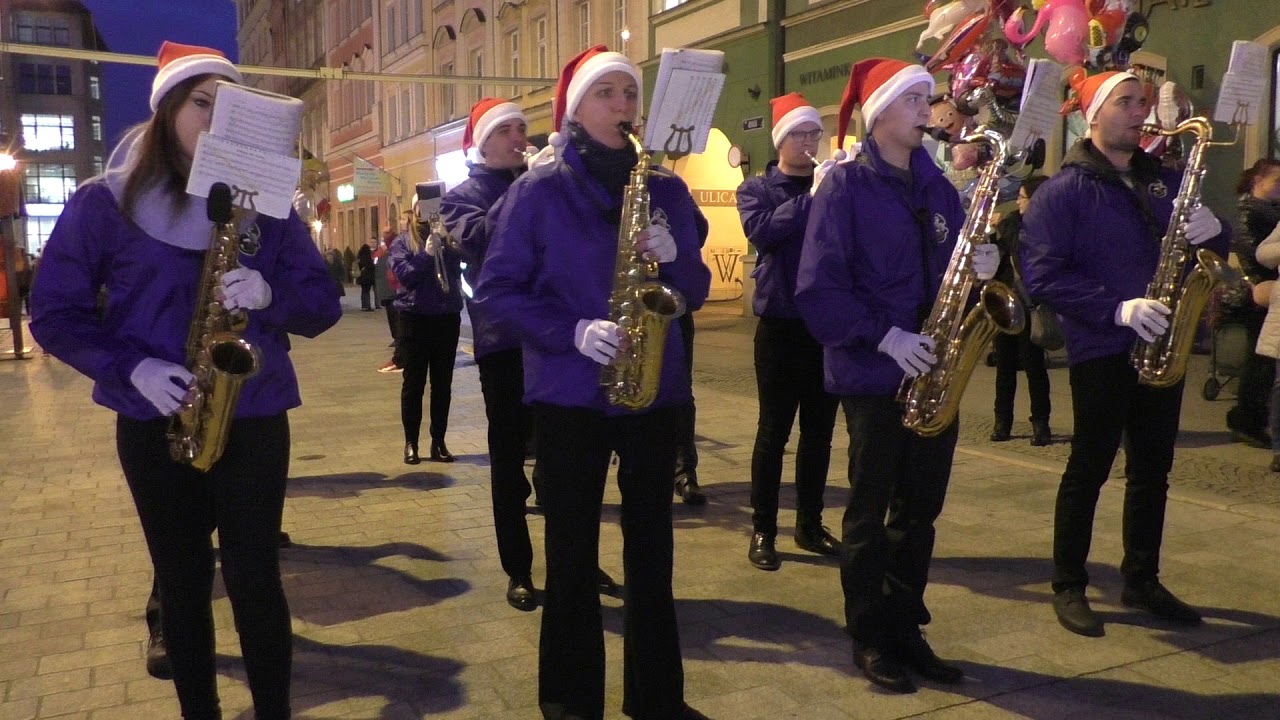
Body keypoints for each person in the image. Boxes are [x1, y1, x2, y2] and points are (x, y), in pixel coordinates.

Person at [29, 41, 342, 718]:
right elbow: (53, 312)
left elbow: (322, 306)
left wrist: (270, 294)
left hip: (252, 414)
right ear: (168, 107)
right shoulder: (103, 203)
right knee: (181, 581)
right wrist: (129, 367)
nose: (215, 118)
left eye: (230, 106)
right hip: (153, 421)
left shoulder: (268, 206)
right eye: (203, 103)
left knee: (257, 579)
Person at [475, 45, 712, 720]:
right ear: (575, 107)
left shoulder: (664, 188)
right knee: (572, 552)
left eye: (629, 94)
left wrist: (676, 262)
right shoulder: (539, 188)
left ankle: (656, 697)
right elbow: (496, 290)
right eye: (606, 93)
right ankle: (571, 700)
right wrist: (569, 332)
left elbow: (693, 287)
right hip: (570, 395)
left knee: (652, 554)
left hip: (650, 393)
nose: (622, 106)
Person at [796, 57, 1000, 693]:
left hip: (934, 368)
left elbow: (948, 270)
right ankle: (870, 635)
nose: (928, 111)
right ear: (879, 112)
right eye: (914, 100)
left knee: (920, 511)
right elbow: (817, 288)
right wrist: (883, 336)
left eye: (927, 99)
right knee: (868, 509)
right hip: (873, 372)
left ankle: (907, 627)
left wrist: (982, 266)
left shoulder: (938, 187)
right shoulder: (843, 187)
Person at [1020, 71, 1230, 638]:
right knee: (1089, 465)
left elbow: (1209, 248)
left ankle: (1142, 578)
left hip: (1164, 343)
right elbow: (1040, 276)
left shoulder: (1164, 179)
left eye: (1143, 102)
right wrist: (1117, 308)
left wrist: (1215, 234)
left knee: (1152, 471)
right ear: (1093, 115)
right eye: (1126, 102)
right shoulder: (1062, 191)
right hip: (1102, 346)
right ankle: (1068, 583)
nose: (1140, 112)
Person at [738, 92, 840, 571]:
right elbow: (761, 232)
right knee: (773, 432)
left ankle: (810, 523)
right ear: (781, 140)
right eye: (798, 134)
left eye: (814, 133)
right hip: (780, 324)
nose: (807, 141)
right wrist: (811, 199)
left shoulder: (831, 185)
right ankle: (762, 528)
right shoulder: (758, 188)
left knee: (819, 434)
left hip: (825, 325)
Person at [390, 194, 463, 464]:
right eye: (424, 205)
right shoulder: (402, 242)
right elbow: (406, 276)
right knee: (414, 383)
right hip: (414, 318)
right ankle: (411, 442)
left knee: (442, 383)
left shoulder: (446, 236)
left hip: (446, 317)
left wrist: (449, 243)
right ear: (415, 209)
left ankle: (438, 441)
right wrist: (426, 254)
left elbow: (459, 272)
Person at [989, 174, 1052, 446]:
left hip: (1032, 307)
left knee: (1034, 368)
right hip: (1006, 306)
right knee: (1004, 368)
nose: (1018, 201)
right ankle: (1002, 421)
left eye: (1022, 197)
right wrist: (994, 234)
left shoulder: (1047, 227)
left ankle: (1041, 423)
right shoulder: (1010, 222)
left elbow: (1021, 252)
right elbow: (997, 259)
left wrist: (1005, 229)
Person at [1220, 159, 1280, 447]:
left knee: (1265, 362)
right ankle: (1248, 417)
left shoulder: (1271, 211)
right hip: (1255, 293)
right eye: (1277, 181)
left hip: (1270, 291)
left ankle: (1254, 416)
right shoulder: (1249, 211)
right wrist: (1261, 283)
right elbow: (1250, 251)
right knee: (1261, 362)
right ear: (1258, 180)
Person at [374, 226, 404, 372]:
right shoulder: (382, 250)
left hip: (396, 291)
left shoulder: (397, 245)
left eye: (387, 232)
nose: (384, 234)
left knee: (400, 322)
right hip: (387, 290)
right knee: (393, 319)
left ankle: (401, 356)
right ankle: (398, 346)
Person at [356, 242, 376, 310]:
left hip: (362, 277)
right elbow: (371, 266)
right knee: (367, 291)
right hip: (368, 277)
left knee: (363, 291)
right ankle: (367, 306)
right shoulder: (368, 257)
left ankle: (364, 305)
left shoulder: (360, 257)